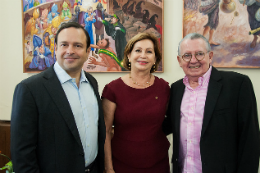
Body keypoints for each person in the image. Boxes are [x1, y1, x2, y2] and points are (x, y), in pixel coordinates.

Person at [11, 22, 106, 173]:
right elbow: (22, 154)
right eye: (64, 45)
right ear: (55, 48)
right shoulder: (29, 89)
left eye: (78, 45)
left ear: (88, 51)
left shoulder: (92, 83)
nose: (70, 51)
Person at [163, 33, 260, 173]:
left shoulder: (237, 84)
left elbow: (250, 140)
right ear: (179, 60)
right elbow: (167, 125)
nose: (193, 60)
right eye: (187, 55)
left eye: (200, 54)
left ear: (210, 56)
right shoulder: (176, 89)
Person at [102, 33, 170, 173]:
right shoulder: (112, 89)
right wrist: (108, 168)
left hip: (158, 164)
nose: (143, 55)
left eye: (149, 51)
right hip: (121, 164)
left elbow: (168, 122)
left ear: (155, 58)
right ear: (128, 55)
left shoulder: (164, 88)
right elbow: (106, 132)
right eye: (138, 50)